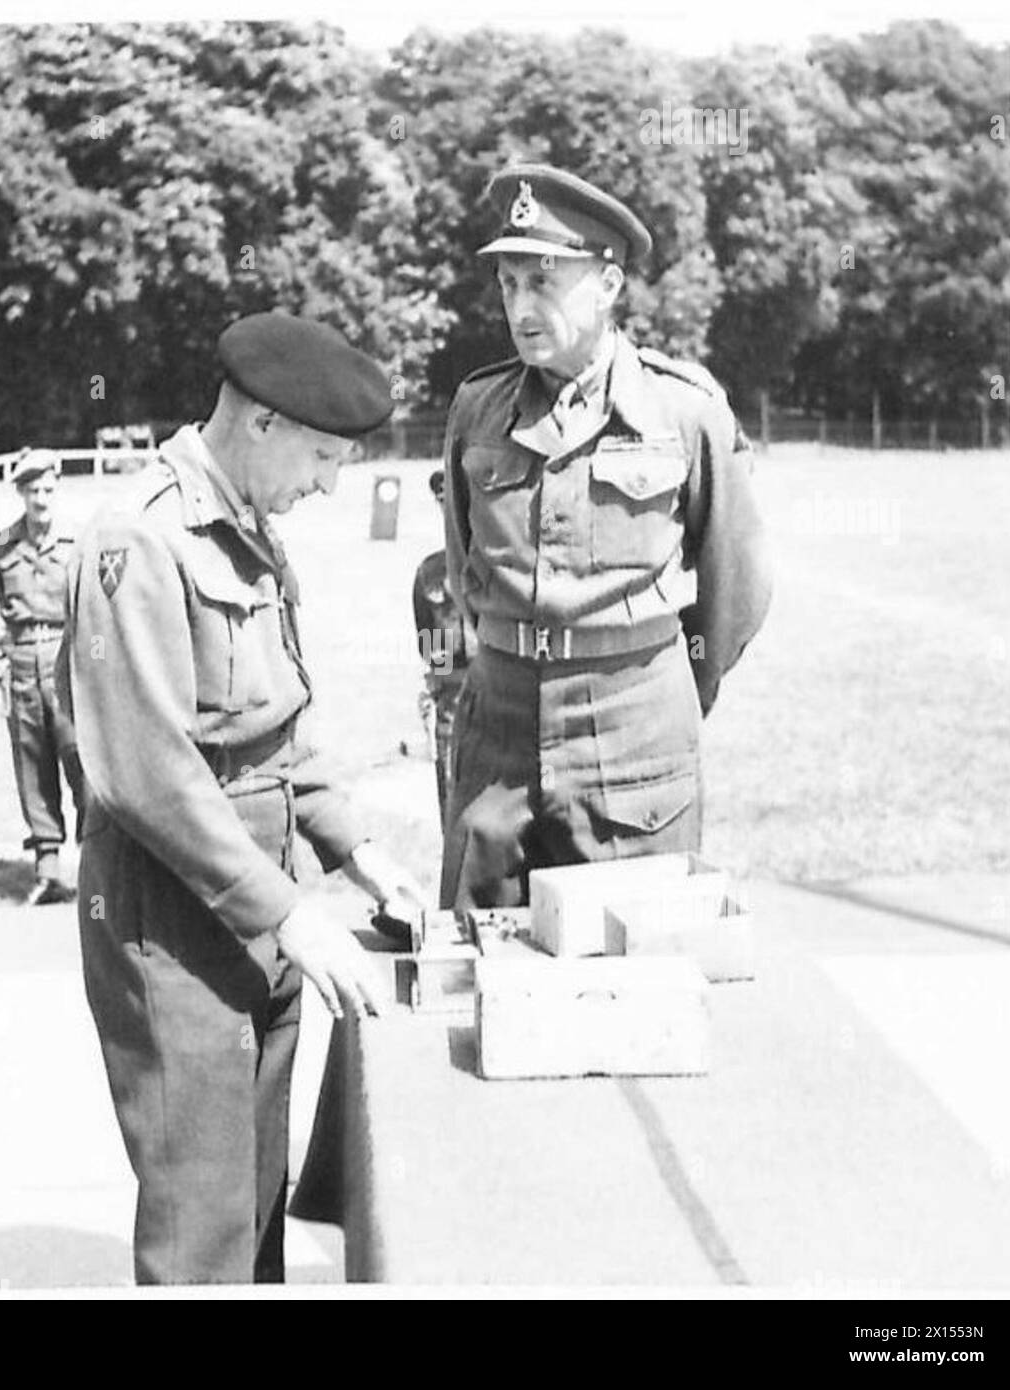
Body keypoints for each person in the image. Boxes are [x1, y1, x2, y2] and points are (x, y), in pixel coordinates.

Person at [60, 313, 427, 1285]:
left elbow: (273, 729)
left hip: (261, 916)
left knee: (256, 1205)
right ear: (259, 423)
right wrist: (289, 912)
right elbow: (144, 771)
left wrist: (353, 849)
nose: (327, 483)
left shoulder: (244, 524)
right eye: (319, 455)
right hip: (177, 930)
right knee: (202, 1233)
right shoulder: (139, 537)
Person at [440, 164, 772, 909]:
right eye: (507, 284)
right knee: (479, 974)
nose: (519, 307)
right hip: (497, 733)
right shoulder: (476, 409)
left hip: (635, 737)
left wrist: (672, 686)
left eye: (543, 281)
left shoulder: (683, 413)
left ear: (608, 286)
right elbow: (465, 570)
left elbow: (736, 587)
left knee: (634, 973)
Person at [0, 448, 85, 906]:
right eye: (32, 491)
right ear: (21, 494)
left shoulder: (76, 541)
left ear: (56, 490)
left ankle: (95, 864)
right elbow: (4, 610)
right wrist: (3, 658)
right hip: (22, 657)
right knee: (31, 760)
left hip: (66, 656)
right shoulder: (4, 545)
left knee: (80, 757)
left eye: (47, 489)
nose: (41, 499)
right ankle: (48, 869)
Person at [412, 468, 477, 822]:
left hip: (505, 705)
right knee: (453, 819)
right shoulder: (430, 574)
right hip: (452, 713)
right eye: (444, 503)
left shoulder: (507, 566)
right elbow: (433, 654)